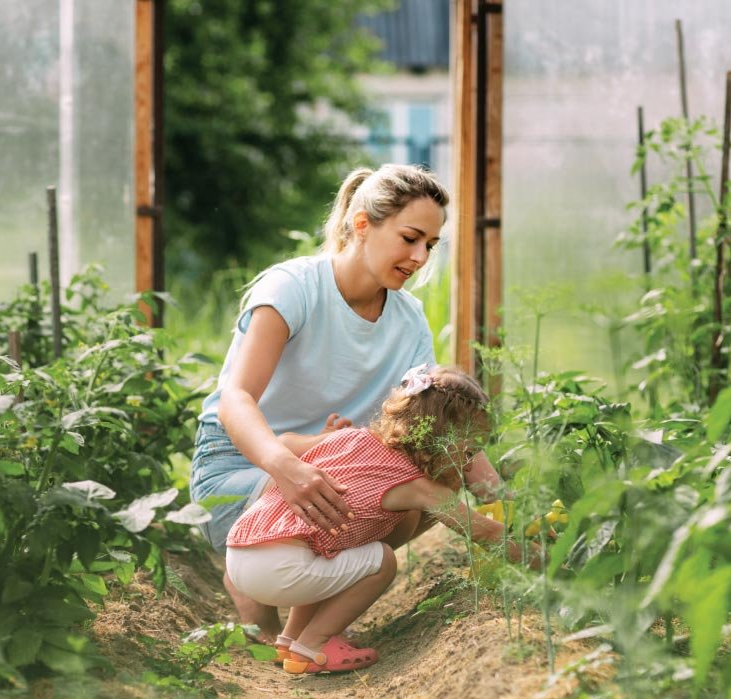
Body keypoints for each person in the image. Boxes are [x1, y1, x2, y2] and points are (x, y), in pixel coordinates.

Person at [189, 164, 502, 642]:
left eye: (430, 246)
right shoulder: (292, 289)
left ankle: (304, 624)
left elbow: (437, 420)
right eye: (410, 238)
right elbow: (236, 399)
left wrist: (501, 501)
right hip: (242, 464)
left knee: (415, 494)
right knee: (379, 497)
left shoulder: (409, 319)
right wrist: (284, 469)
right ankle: (252, 570)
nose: (420, 257)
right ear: (362, 225)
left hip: (332, 471)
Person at [225, 364, 509, 673]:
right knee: (381, 561)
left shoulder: (351, 439)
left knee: (333, 546)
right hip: (279, 569)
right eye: (468, 452)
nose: (468, 465)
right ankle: (315, 644)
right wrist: (540, 555)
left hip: (242, 549)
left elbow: (283, 445)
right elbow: (486, 533)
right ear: (444, 442)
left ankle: (291, 639)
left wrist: (323, 441)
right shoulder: (418, 488)